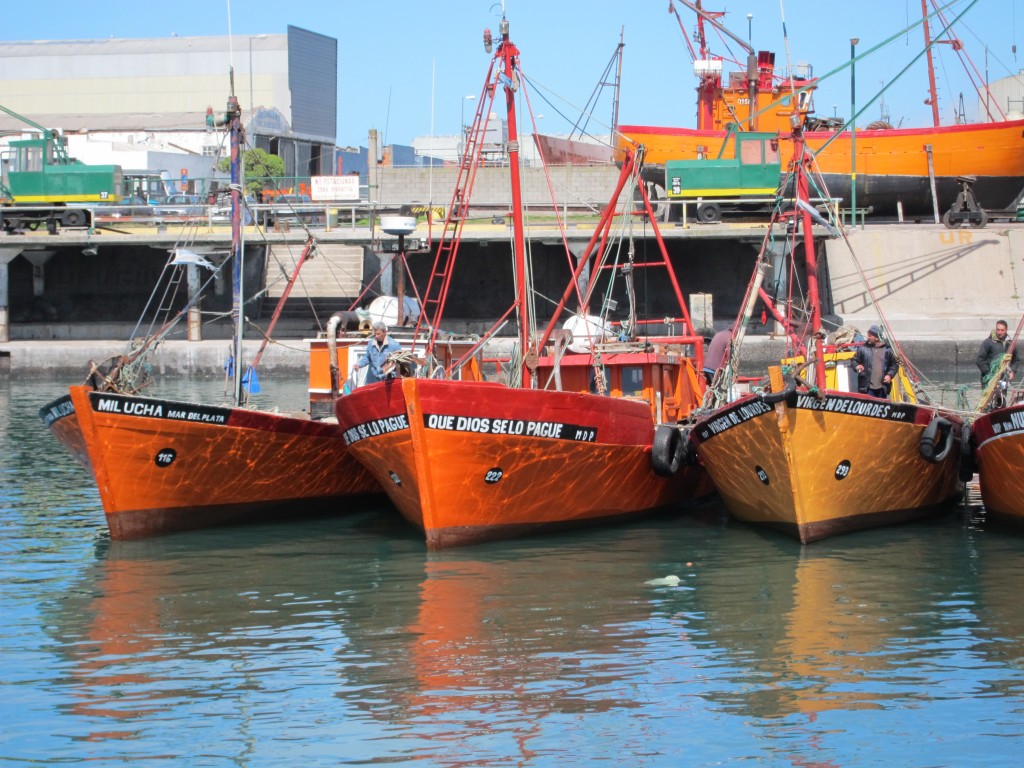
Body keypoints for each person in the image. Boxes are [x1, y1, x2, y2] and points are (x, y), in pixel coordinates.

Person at [853, 325, 898, 398]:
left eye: (870, 336)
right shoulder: (863, 349)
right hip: (867, 388)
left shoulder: (887, 350)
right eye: (867, 335)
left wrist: (889, 375)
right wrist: (856, 366)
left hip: (882, 388)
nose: (867, 337)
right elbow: (854, 360)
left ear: (876, 337)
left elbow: (895, 364)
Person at [976, 319, 1019, 387]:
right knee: (988, 397)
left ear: (1006, 330)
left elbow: (1016, 359)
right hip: (989, 379)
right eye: (998, 329)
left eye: (1002, 330)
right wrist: (989, 373)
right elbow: (979, 360)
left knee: (1001, 397)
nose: (999, 332)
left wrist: (1012, 371)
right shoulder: (988, 342)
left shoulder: (1010, 343)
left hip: (1003, 378)